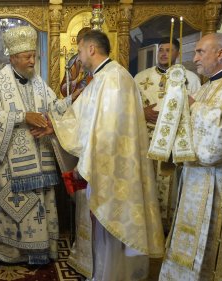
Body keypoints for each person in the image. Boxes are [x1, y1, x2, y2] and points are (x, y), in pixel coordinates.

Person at [50, 29, 164, 281]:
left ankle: (116, 276)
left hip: (113, 169)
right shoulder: (102, 78)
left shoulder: (114, 79)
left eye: (80, 51)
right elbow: (81, 118)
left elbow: (108, 129)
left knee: (114, 228)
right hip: (104, 165)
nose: (79, 58)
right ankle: (104, 274)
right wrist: (53, 126)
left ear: (91, 49)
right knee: (103, 230)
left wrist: (89, 160)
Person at [0, 25, 79, 269]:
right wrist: (22, 116)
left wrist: (71, 100)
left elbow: (54, 107)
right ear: (13, 58)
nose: (32, 61)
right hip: (9, 167)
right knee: (11, 211)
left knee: (37, 210)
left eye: (34, 56)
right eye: (27, 57)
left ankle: (37, 252)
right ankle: (3, 251)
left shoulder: (38, 83)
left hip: (40, 158)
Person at [159, 33, 222, 280]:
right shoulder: (204, 89)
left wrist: (191, 106)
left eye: (200, 51)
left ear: (220, 53)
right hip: (193, 184)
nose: (195, 57)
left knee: (216, 260)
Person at [134, 38, 201, 233]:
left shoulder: (190, 78)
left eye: (168, 50)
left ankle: (170, 227)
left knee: (171, 183)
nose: (163, 54)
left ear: (177, 53)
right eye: (161, 50)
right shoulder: (140, 77)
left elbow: (195, 109)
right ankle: (145, 225)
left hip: (173, 142)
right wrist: (142, 112)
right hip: (146, 139)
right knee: (146, 181)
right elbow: (127, 106)